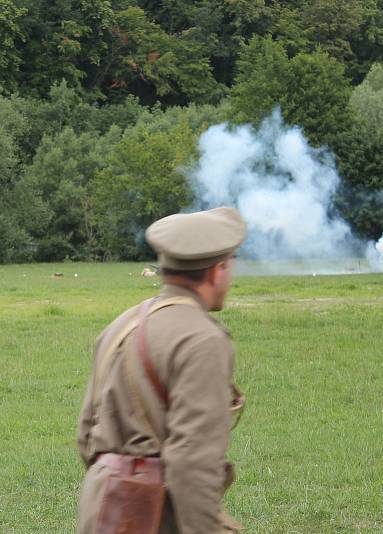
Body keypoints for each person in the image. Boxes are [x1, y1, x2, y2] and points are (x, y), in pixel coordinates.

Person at [77, 207, 247, 534]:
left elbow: (86, 435)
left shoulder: (123, 323)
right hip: (155, 517)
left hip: (103, 509)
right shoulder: (203, 339)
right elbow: (191, 463)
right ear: (218, 269)